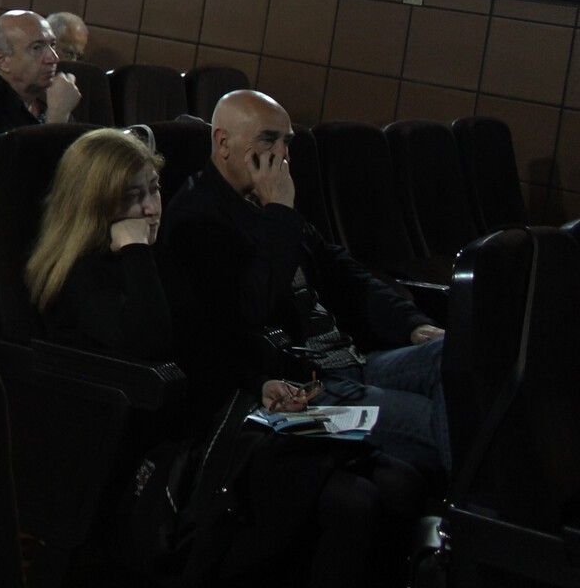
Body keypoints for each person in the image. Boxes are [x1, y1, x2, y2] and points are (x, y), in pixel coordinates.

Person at [30, 127, 424, 588]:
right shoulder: (83, 277)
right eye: (133, 197)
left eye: (154, 189)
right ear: (96, 204)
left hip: (222, 421)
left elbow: (202, 346)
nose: (152, 208)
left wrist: (259, 384)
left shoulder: (155, 257)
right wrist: (135, 250)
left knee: (399, 481)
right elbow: (150, 350)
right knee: (355, 502)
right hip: (161, 455)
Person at [161, 91, 450, 481]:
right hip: (300, 387)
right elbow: (249, 309)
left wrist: (412, 325)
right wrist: (279, 212)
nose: (282, 155)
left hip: (353, 360)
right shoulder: (196, 219)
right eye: (268, 139)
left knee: (459, 356)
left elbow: (344, 271)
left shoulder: (269, 200)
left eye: (287, 142)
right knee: (440, 422)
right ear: (223, 142)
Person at [0, 10, 81, 150]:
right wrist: (56, 119)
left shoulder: (50, 100)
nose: (54, 58)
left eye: (52, 45)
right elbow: (26, 170)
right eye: (37, 48)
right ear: (2, 60)